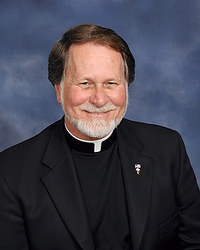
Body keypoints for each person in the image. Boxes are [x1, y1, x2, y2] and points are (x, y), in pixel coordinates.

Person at [0, 23, 200, 250]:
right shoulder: (11, 172)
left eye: (111, 83)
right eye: (85, 84)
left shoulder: (167, 148)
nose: (99, 99)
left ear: (126, 86)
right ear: (58, 90)